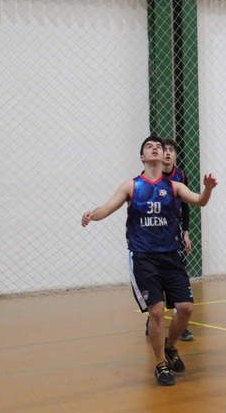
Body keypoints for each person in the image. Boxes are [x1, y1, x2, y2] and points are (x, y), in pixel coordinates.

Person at [81, 135, 217, 386]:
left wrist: (207, 189)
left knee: (186, 308)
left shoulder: (174, 186)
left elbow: (199, 201)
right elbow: (108, 207)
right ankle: (160, 364)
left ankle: (170, 347)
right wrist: (92, 214)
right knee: (156, 312)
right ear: (143, 157)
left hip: (171, 256)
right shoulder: (131, 186)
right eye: (149, 147)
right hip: (143, 257)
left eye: (159, 147)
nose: (156, 149)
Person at [162, 138, 194, 342]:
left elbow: (186, 206)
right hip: (155, 235)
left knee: (178, 277)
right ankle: (152, 318)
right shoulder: (151, 177)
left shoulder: (181, 175)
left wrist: (186, 231)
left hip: (174, 233)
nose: (167, 153)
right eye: (164, 150)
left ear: (175, 155)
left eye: (171, 150)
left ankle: (179, 323)